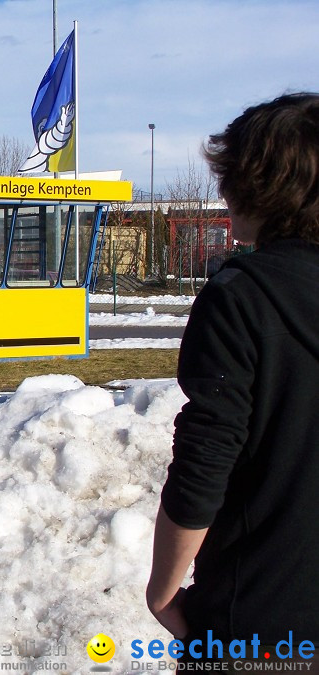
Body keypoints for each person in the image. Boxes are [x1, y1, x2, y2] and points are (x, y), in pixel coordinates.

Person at [146, 93, 319, 660]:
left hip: (262, 620)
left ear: (265, 183)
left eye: (231, 175)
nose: (222, 191)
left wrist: (164, 587)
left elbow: (205, 461)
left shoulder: (240, 297)